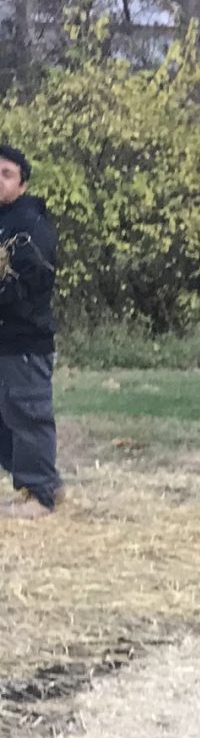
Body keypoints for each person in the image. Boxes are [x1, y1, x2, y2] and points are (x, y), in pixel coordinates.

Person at [0, 144, 59, 519]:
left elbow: (33, 287)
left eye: (6, 174)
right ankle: (35, 483)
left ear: (22, 184)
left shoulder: (30, 226)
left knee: (28, 414)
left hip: (24, 340)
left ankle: (40, 493)